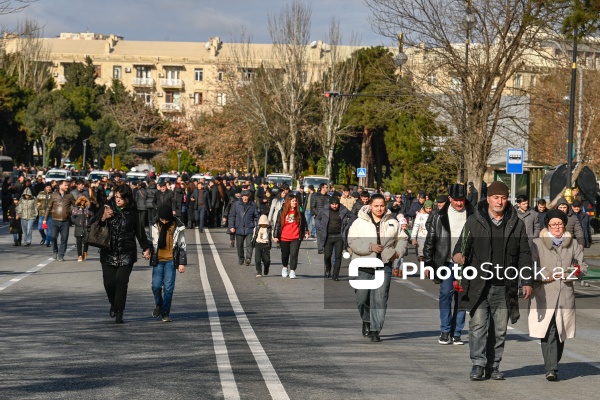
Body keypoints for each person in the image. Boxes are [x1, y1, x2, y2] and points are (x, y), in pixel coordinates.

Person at [452, 181, 533, 381]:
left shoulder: (517, 224)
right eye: (496, 197)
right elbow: (460, 247)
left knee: (499, 329)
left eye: (503, 198)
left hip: (504, 286)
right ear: (488, 199)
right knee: (478, 326)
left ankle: (494, 365)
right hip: (479, 285)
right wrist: (458, 256)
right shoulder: (474, 221)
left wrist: (527, 280)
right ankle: (478, 365)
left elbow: (524, 254)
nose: (499, 201)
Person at [527, 209, 587, 381]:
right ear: (548, 225)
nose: (557, 227)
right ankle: (551, 368)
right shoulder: (537, 243)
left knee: (561, 332)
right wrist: (545, 275)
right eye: (553, 224)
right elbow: (530, 266)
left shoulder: (573, 243)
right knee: (549, 330)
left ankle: (553, 362)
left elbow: (582, 266)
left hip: (565, 294)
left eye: (560, 224)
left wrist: (570, 273)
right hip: (545, 294)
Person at [348, 193, 408, 342]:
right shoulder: (358, 222)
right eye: (376, 206)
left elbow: (402, 238)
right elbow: (352, 241)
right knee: (362, 298)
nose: (379, 209)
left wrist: (396, 253)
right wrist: (370, 247)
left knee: (380, 299)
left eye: (382, 206)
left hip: (384, 265)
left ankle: (375, 330)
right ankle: (366, 320)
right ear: (370, 206)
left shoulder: (392, 222)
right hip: (363, 264)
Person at [423, 184, 474, 346]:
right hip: (445, 262)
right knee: (445, 294)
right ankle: (445, 330)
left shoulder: (473, 215)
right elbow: (431, 239)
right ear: (450, 199)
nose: (459, 203)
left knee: (462, 296)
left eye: (462, 200)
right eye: (456, 200)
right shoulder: (439, 216)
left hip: (465, 264)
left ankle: (457, 332)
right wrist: (428, 263)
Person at [96, 184, 151, 323]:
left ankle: (119, 310)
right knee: (109, 283)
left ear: (127, 198)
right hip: (108, 251)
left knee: (121, 281)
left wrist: (146, 247)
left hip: (127, 252)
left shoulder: (133, 212)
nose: (118, 200)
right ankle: (114, 304)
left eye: (121, 198)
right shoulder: (107, 207)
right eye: (116, 197)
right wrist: (103, 218)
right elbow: (93, 223)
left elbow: (140, 232)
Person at [150, 205, 187, 322]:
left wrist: (182, 263)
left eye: (166, 219)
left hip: (171, 260)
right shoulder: (154, 225)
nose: (164, 221)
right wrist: (146, 251)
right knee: (155, 286)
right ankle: (158, 304)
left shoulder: (178, 226)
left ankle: (166, 312)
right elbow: (149, 241)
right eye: (162, 219)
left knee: (169, 288)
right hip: (158, 260)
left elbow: (182, 245)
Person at [316, 195, 357, 281]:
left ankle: (335, 274)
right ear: (330, 204)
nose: (334, 206)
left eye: (336, 204)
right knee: (327, 256)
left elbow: (353, 216)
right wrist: (320, 227)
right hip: (328, 237)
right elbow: (317, 219)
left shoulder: (343, 210)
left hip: (339, 236)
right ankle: (328, 268)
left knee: (338, 256)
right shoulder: (324, 210)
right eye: (333, 204)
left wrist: (347, 226)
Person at [273, 193, 308, 279]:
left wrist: (306, 231)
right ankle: (285, 267)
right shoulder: (282, 211)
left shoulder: (299, 211)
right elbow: (277, 223)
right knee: (285, 255)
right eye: (293, 201)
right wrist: (275, 235)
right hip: (284, 237)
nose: (295, 202)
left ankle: (292, 270)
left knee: (294, 254)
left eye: (296, 201)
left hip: (296, 237)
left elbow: (304, 222)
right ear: (288, 202)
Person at [43, 180, 76, 261]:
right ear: (60, 186)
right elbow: (48, 208)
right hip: (55, 220)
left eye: (67, 185)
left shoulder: (69, 196)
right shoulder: (54, 195)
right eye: (65, 185)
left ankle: (61, 255)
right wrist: (45, 219)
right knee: (53, 237)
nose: (67, 187)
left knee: (64, 238)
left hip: (65, 221)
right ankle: (55, 250)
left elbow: (75, 204)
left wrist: (75, 208)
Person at [229, 189, 259, 265]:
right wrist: (232, 226)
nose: (245, 198)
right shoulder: (236, 204)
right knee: (239, 245)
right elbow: (232, 216)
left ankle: (248, 258)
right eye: (244, 196)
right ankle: (241, 258)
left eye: (247, 196)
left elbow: (257, 216)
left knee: (249, 244)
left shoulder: (253, 205)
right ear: (241, 197)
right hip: (239, 227)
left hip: (249, 228)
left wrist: (257, 225)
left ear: (249, 197)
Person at [71, 196, 92, 262]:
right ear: (79, 201)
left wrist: (89, 222)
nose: (83, 202)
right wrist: (76, 222)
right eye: (81, 201)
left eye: (84, 201)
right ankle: (79, 255)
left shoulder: (88, 209)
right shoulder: (75, 209)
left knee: (86, 241)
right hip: (78, 227)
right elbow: (72, 217)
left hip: (86, 227)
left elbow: (92, 216)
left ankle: (85, 251)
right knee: (78, 242)